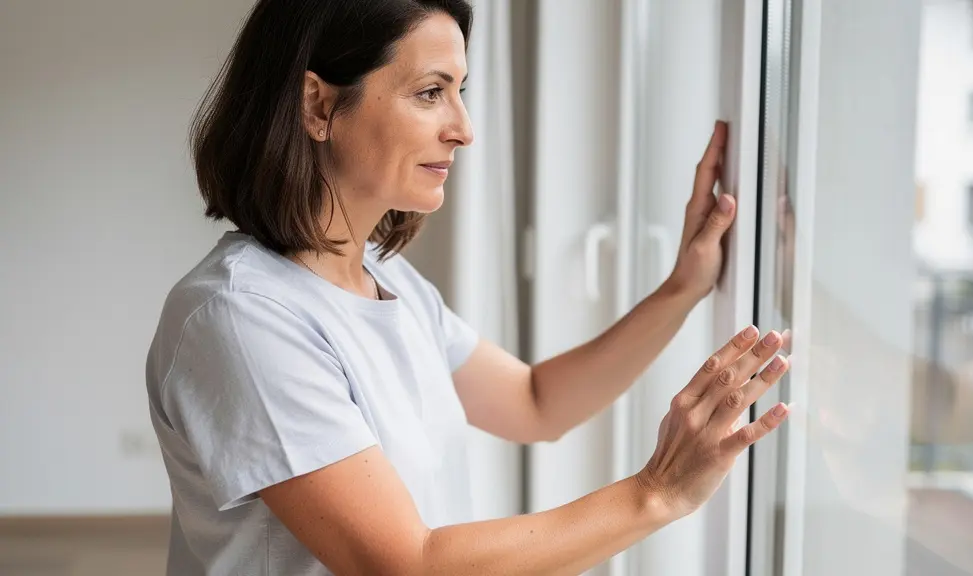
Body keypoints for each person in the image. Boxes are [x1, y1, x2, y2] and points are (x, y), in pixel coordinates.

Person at [145, 0, 790, 574]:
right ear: (318, 105)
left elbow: (536, 403)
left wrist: (682, 288)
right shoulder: (239, 316)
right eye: (430, 92)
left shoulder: (384, 276)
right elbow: (404, 564)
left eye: (460, 90)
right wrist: (659, 491)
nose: (464, 127)